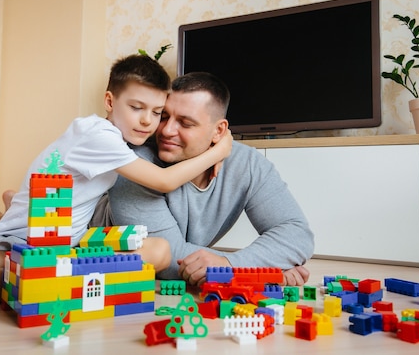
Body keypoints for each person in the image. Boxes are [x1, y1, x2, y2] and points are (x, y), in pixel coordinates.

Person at [0, 54, 233, 309]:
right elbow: (163, 180)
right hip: (23, 243)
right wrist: (220, 150)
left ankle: (45, 267)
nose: (148, 121)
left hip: (72, 245)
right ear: (109, 102)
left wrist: (207, 144)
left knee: (159, 250)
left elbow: (166, 151)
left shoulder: (125, 136)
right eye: (137, 108)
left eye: (157, 112)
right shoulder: (99, 136)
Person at [99, 71, 314, 287]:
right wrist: (266, 269)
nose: (166, 130)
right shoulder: (136, 163)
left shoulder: (247, 163)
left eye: (185, 123)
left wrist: (230, 264)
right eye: (163, 116)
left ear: (219, 131)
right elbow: (168, 257)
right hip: (85, 255)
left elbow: (296, 233)